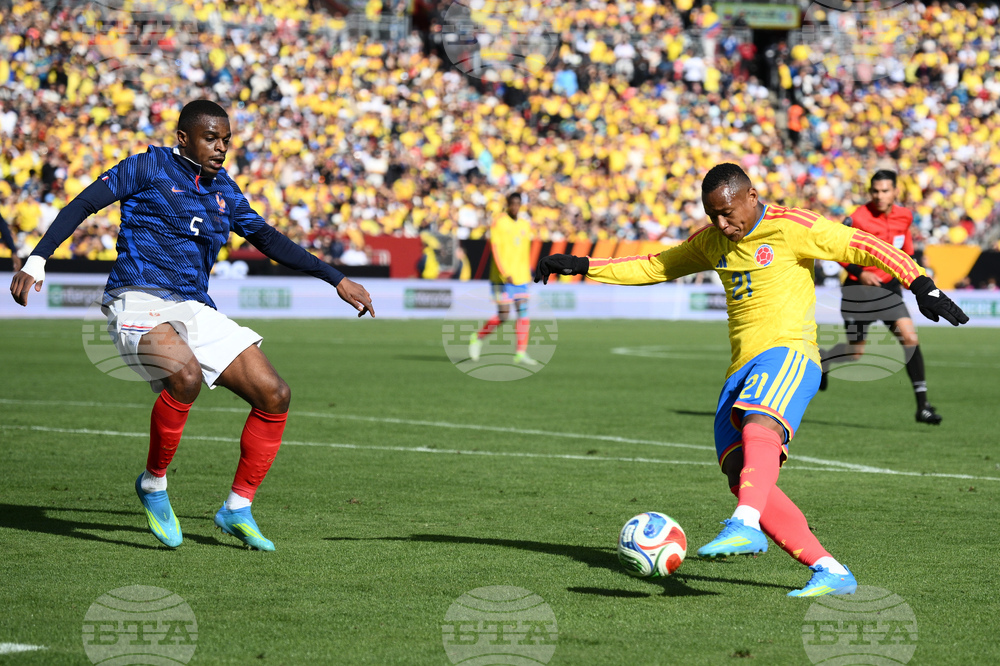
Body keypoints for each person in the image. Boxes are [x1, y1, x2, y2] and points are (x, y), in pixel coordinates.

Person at [536, 163, 967, 596]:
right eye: (712, 215)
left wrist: (921, 283)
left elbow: (862, 245)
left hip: (789, 353)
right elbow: (655, 265)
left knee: (759, 424)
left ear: (752, 196)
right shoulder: (711, 241)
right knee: (739, 472)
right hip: (740, 368)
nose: (722, 223)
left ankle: (744, 524)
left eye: (727, 212)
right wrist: (584, 264)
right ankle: (831, 570)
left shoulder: (791, 226)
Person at [10, 100, 375, 551]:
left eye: (226, 139)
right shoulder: (148, 166)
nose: (220, 147)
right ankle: (154, 484)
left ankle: (237, 507)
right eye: (210, 138)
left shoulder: (225, 190)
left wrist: (336, 277)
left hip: (194, 305)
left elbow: (268, 239)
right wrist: (37, 258)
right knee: (184, 377)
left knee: (275, 394)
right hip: (137, 298)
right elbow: (84, 202)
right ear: (184, 137)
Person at [818, 170, 942, 424]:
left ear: (895, 191)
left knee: (910, 338)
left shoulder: (905, 216)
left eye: (885, 191)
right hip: (858, 292)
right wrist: (860, 272)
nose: (879, 195)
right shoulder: (857, 218)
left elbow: (906, 252)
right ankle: (824, 359)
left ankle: (923, 406)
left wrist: (918, 280)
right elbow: (835, 250)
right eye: (875, 191)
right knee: (855, 352)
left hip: (888, 289)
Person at [469, 191, 537, 366]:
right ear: (507, 204)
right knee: (504, 315)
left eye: (517, 204)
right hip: (502, 277)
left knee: (523, 312)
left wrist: (528, 272)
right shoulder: (499, 222)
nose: (515, 207)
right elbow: (496, 249)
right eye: (512, 204)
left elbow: (524, 251)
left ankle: (520, 353)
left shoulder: (524, 224)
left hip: (520, 276)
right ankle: (477, 337)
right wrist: (504, 272)